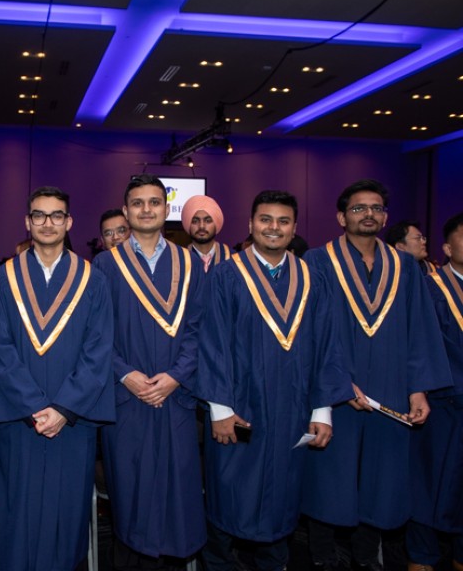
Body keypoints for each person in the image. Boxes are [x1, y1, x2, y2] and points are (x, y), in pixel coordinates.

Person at [197, 191, 353, 571]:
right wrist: (219, 409)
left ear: (294, 228)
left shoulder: (314, 276)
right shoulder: (225, 275)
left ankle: (275, 565)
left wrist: (323, 410)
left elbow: (328, 344)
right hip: (239, 408)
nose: (274, 228)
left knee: (281, 498)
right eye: (265, 219)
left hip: (292, 409)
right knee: (228, 494)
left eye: (283, 221)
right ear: (250, 225)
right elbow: (211, 343)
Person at [301, 179, 451, 571]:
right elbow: (308, 331)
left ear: (385, 216)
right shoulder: (317, 262)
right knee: (328, 479)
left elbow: (420, 330)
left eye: (376, 208)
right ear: (340, 216)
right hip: (335, 392)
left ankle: (368, 559)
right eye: (358, 208)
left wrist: (418, 390)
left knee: (381, 481)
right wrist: (335, 384)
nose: (368, 214)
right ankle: (322, 560)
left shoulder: (404, 266)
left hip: (391, 390)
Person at [0, 186, 114, 571]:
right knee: (13, 507)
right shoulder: (2, 278)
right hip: (19, 418)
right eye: (39, 215)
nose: (47, 223)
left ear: (69, 222)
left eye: (56, 216)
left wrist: (64, 408)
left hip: (73, 421)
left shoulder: (93, 280)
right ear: (27, 222)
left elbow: (99, 350)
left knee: (65, 510)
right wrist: (36, 407)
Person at [93, 173, 207, 566]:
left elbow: (199, 328)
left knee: (178, 495)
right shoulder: (105, 265)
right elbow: (95, 335)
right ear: (126, 211)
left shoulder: (189, 262)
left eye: (154, 202)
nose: (146, 209)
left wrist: (176, 376)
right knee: (131, 494)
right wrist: (126, 374)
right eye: (138, 203)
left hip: (175, 397)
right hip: (127, 398)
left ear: (167, 210)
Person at [406, 212, 463, 571]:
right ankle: (422, 556)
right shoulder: (430, 287)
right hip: (443, 401)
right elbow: (421, 345)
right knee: (429, 480)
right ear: (446, 247)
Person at [181, 194, 231, 273]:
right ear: (188, 224)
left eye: (208, 221)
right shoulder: (180, 261)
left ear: (216, 224)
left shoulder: (233, 259)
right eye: (195, 221)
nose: (201, 226)